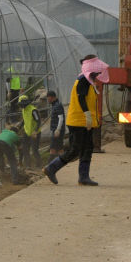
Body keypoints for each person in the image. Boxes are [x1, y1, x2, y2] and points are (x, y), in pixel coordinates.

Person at [43, 55, 110, 186]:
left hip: (83, 121)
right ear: (92, 69)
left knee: (87, 148)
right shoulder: (83, 80)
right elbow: (81, 98)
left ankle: (83, 177)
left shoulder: (88, 81)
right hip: (79, 122)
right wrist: (88, 116)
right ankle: (51, 168)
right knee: (76, 149)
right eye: (97, 71)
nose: (98, 74)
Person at [19, 94, 43, 168]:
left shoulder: (33, 110)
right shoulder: (23, 110)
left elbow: (38, 121)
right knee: (25, 149)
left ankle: (39, 166)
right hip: (27, 132)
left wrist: (35, 131)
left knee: (34, 150)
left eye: (22, 105)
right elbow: (24, 120)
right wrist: (18, 127)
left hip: (35, 133)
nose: (21, 106)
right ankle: (28, 165)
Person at [45, 90, 65, 163]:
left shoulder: (57, 105)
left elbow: (61, 118)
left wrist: (58, 129)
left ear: (51, 97)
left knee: (52, 148)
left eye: (48, 98)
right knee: (60, 148)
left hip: (57, 130)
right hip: (57, 130)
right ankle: (63, 163)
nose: (47, 100)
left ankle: (48, 166)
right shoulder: (55, 105)